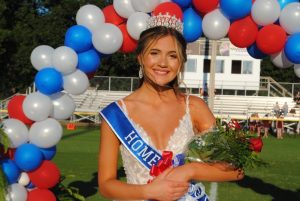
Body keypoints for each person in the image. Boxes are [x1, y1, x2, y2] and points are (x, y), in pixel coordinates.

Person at [98, 15, 244, 201]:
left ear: (181, 61)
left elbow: (235, 170)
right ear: (140, 58)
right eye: (154, 53)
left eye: (172, 56)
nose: (163, 63)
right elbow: (106, 185)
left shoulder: (194, 107)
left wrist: (188, 170)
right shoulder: (116, 114)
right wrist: (149, 192)